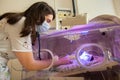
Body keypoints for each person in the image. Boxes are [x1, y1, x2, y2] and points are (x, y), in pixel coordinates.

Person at [0, 2, 71, 80]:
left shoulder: (19, 22)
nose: (48, 25)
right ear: (38, 16)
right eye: (47, 21)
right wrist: (59, 61)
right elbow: (30, 65)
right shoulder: (21, 23)